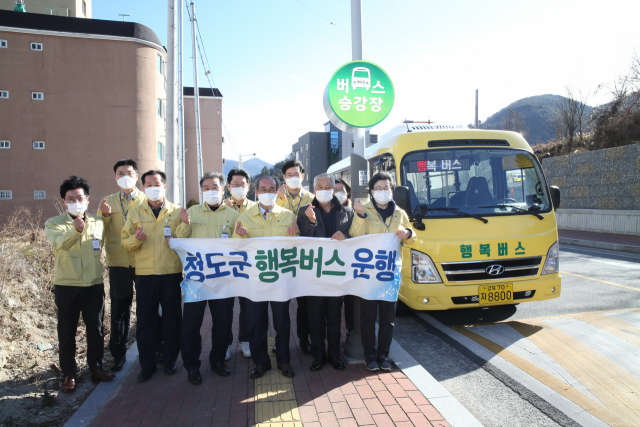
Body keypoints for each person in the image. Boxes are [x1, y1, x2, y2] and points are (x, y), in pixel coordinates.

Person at [45, 176, 116, 393]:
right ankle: (69, 374)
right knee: (67, 331)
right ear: (63, 201)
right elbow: (60, 244)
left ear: (87, 199)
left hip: (94, 284)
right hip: (67, 285)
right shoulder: (54, 223)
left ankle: (96, 368)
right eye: (71, 198)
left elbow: (103, 242)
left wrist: (106, 215)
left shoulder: (96, 222)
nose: (76, 201)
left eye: (80, 197)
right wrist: (75, 229)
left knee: (95, 329)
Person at [232, 175, 299, 379]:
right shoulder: (244, 216)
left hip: (279, 278)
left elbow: (295, 247)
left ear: (277, 191)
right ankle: (260, 363)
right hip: (254, 280)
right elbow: (235, 247)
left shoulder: (287, 215)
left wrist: (293, 237)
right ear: (256, 192)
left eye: (271, 189)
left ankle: (284, 360)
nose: (267, 193)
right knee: (255, 322)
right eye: (263, 189)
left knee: (282, 321)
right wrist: (240, 236)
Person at [176, 172, 240, 385]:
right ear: (201, 191)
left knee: (223, 322)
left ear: (223, 190)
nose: (211, 191)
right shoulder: (191, 212)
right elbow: (178, 240)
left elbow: (239, 245)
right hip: (196, 279)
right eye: (206, 187)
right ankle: (192, 366)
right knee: (191, 324)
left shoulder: (233, 215)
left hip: (223, 279)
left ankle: (218, 360)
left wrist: (240, 235)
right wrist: (184, 224)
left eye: (215, 187)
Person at [350, 171, 416, 372]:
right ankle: (369, 355)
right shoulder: (363, 209)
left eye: (386, 188)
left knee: (388, 319)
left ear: (392, 190)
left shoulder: (400, 213)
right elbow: (354, 236)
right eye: (378, 188)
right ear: (371, 191)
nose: (382, 191)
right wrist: (360, 216)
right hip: (369, 275)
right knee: (368, 318)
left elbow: (414, 239)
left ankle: (384, 355)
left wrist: (408, 234)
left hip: (390, 275)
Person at [121, 170, 183, 382]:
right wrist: (136, 239)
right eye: (148, 184)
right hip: (145, 274)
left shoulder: (176, 212)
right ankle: (146, 364)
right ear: (143, 188)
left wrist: (184, 228)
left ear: (164, 186)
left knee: (172, 319)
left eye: (157, 184)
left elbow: (186, 241)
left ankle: (170, 359)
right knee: (146, 321)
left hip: (171, 273)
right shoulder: (135, 213)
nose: (153, 187)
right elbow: (125, 242)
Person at [296, 173, 354, 371]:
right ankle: (318, 354)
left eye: (327, 186)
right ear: (313, 190)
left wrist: (345, 235)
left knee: (335, 316)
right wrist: (310, 222)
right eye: (319, 187)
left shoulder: (346, 211)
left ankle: (335, 355)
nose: (323, 190)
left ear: (334, 187)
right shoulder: (305, 210)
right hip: (314, 273)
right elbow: (302, 237)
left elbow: (354, 237)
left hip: (336, 273)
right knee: (316, 316)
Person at [97, 159, 150, 372]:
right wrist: (105, 216)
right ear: (115, 177)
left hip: (144, 262)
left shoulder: (147, 200)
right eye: (120, 173)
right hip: (118, 263)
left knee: (148, 308)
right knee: (120, 309)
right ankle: (118, 354)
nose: (125, 176)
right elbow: (98, 231)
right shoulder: (107, 202)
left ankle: (153, 349)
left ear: (137, 176)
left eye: (129, 172)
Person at [276, 159, 315, 355]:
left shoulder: (312, 198)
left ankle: (304, 338)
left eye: (296, 174)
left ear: (303, 176)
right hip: (281, 257)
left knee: (304, 302)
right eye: (289, 175)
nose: (293, 178)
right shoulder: (274, 198)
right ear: (283, 177)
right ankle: (279, 340)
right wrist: (281, 201)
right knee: (279, 301)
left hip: (304, 257)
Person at [223, 168, 256, 358]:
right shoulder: (220, 208)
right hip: (225, 266)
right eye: (234, 185)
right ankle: (225, 342)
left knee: (247, 307)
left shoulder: (256, 207)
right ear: (228, 187)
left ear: (248, 187)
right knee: (225, 307)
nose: (238, 188)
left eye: (242, 185)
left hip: (248, 266)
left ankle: (246, 340)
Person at [334, 178, 355, 333]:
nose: (338, 193)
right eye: (335, 190)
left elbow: (359, 235)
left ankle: (350, 332)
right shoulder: (323, 212)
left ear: (348, 193)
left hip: (349, 266)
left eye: (342, 190)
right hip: (330, 267)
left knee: (351, 304)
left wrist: (346, 236)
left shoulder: (353, 213)